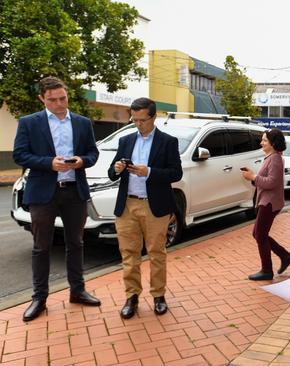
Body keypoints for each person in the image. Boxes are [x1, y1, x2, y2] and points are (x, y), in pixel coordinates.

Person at [13, 76, 101, 322]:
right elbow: (20, 154)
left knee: (76, 243)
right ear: (42, 98)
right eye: (53, 100)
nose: (60, 103)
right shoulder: (29, 123)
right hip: (43, 193)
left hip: (75, 191)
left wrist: (83, 161)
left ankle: (78, 290)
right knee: (41, 247)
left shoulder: (83, 123)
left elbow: (92, 153)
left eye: (63, 98)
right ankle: (39, 298)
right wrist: (48, 163)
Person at [107, 97, 182, 319]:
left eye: (142, 120)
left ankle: (159, 296)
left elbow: (176, 173)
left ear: (153, 117)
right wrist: (118, 167)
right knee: (129, 254)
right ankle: (132, 297)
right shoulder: (126, 140)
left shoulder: (168, 142)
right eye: (134, 119)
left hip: (154, 206)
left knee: (156, 253)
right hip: (128, 205)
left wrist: (148, 172)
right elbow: (112, 173)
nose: (138, 124)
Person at [241, 128, 290, 281]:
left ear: (273, 143)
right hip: (266, 201)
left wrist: (253, 177)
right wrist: (253, 177)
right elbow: (265, 179)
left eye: (265, 140)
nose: (261, 143)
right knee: (259, 234)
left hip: (270, 202)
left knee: (260, 235)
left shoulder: (275, 159)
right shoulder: (271, 157)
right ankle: (285, 256)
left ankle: (267, 270)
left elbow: (272, 182)